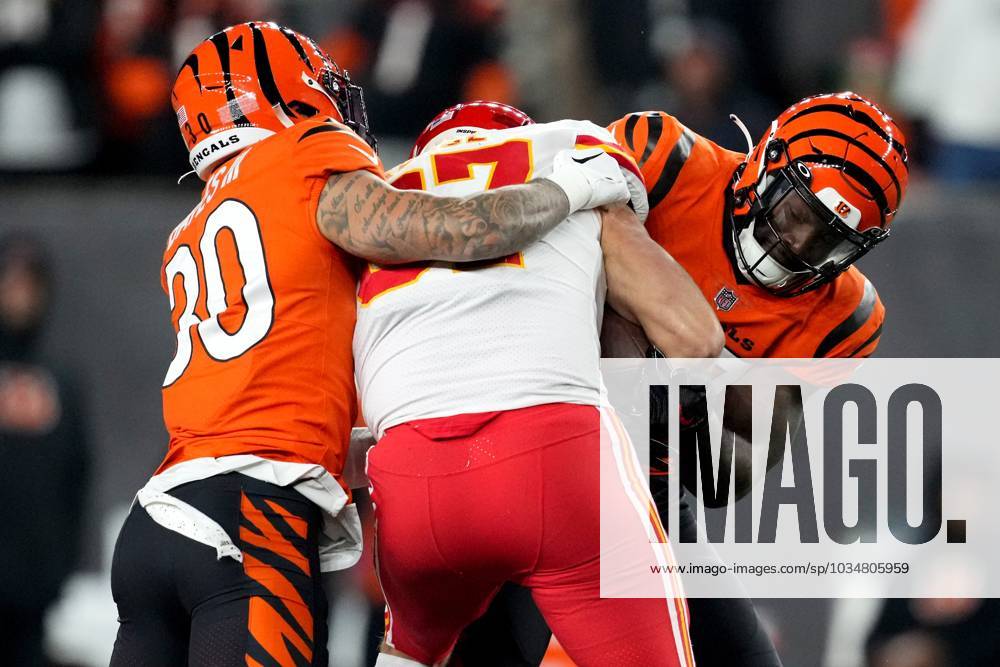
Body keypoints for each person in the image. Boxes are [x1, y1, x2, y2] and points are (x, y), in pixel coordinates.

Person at [109, 22, 633, 667]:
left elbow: (271, 390)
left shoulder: (188, 229)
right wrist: (572, 188)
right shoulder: (301, 154)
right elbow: (453, 232)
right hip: (249, 523)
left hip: (155, 525)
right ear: (282, 92)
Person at [455, 91, 909, 667]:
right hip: (536, 446)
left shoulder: (843, 319)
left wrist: (690, 398)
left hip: (649, 483)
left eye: (827, 240)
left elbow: (730, 477)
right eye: (797, 214)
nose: (796, 245)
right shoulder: (665, 159)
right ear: (765, 164)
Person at [355, 100, 723, 667]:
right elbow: (694, 337)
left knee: (407, 651)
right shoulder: (575, 160)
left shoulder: (375, 204)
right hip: (554, 456)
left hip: (411, 480)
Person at [0, 232, 91, 667]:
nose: (19, 294)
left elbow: (78, 474)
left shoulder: (62, 382)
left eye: (29, 283)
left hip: (36, 586)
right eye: (10, 281)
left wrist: (64, 564)